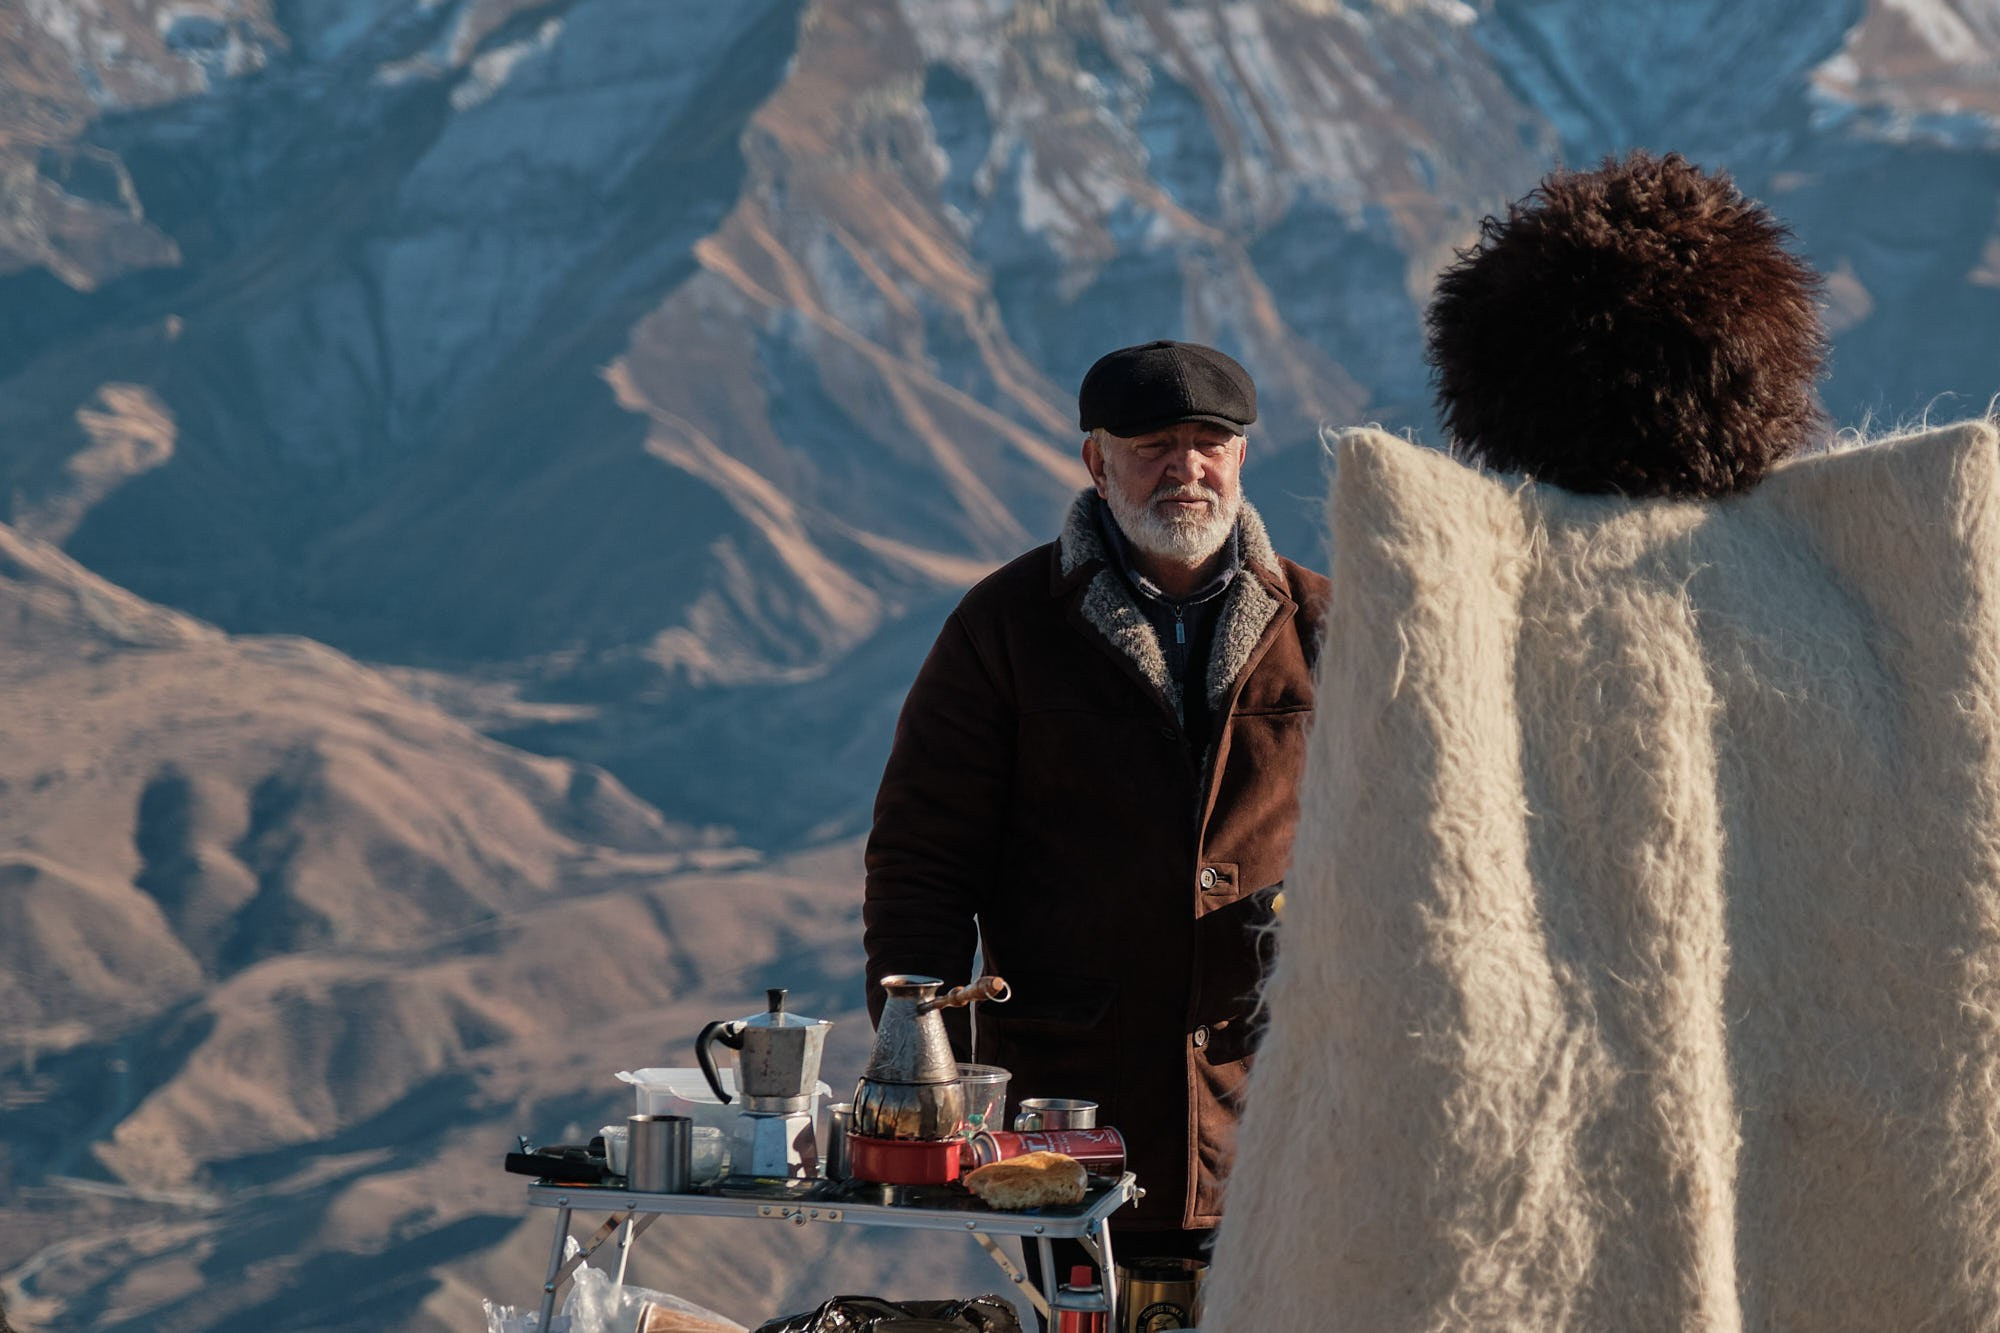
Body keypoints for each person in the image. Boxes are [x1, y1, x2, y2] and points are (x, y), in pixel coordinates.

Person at [862, 339, 1329, 1305]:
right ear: (1095, 460)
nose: (1186, 467)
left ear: (1242, 458)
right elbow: (922, 863)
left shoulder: (1328, 625)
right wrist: (923, 1071)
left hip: (1282, 1108)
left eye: (1211, 442)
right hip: (1064, 1119)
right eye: (1155, 442)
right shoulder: (1005, 628)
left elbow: (1411, 850)